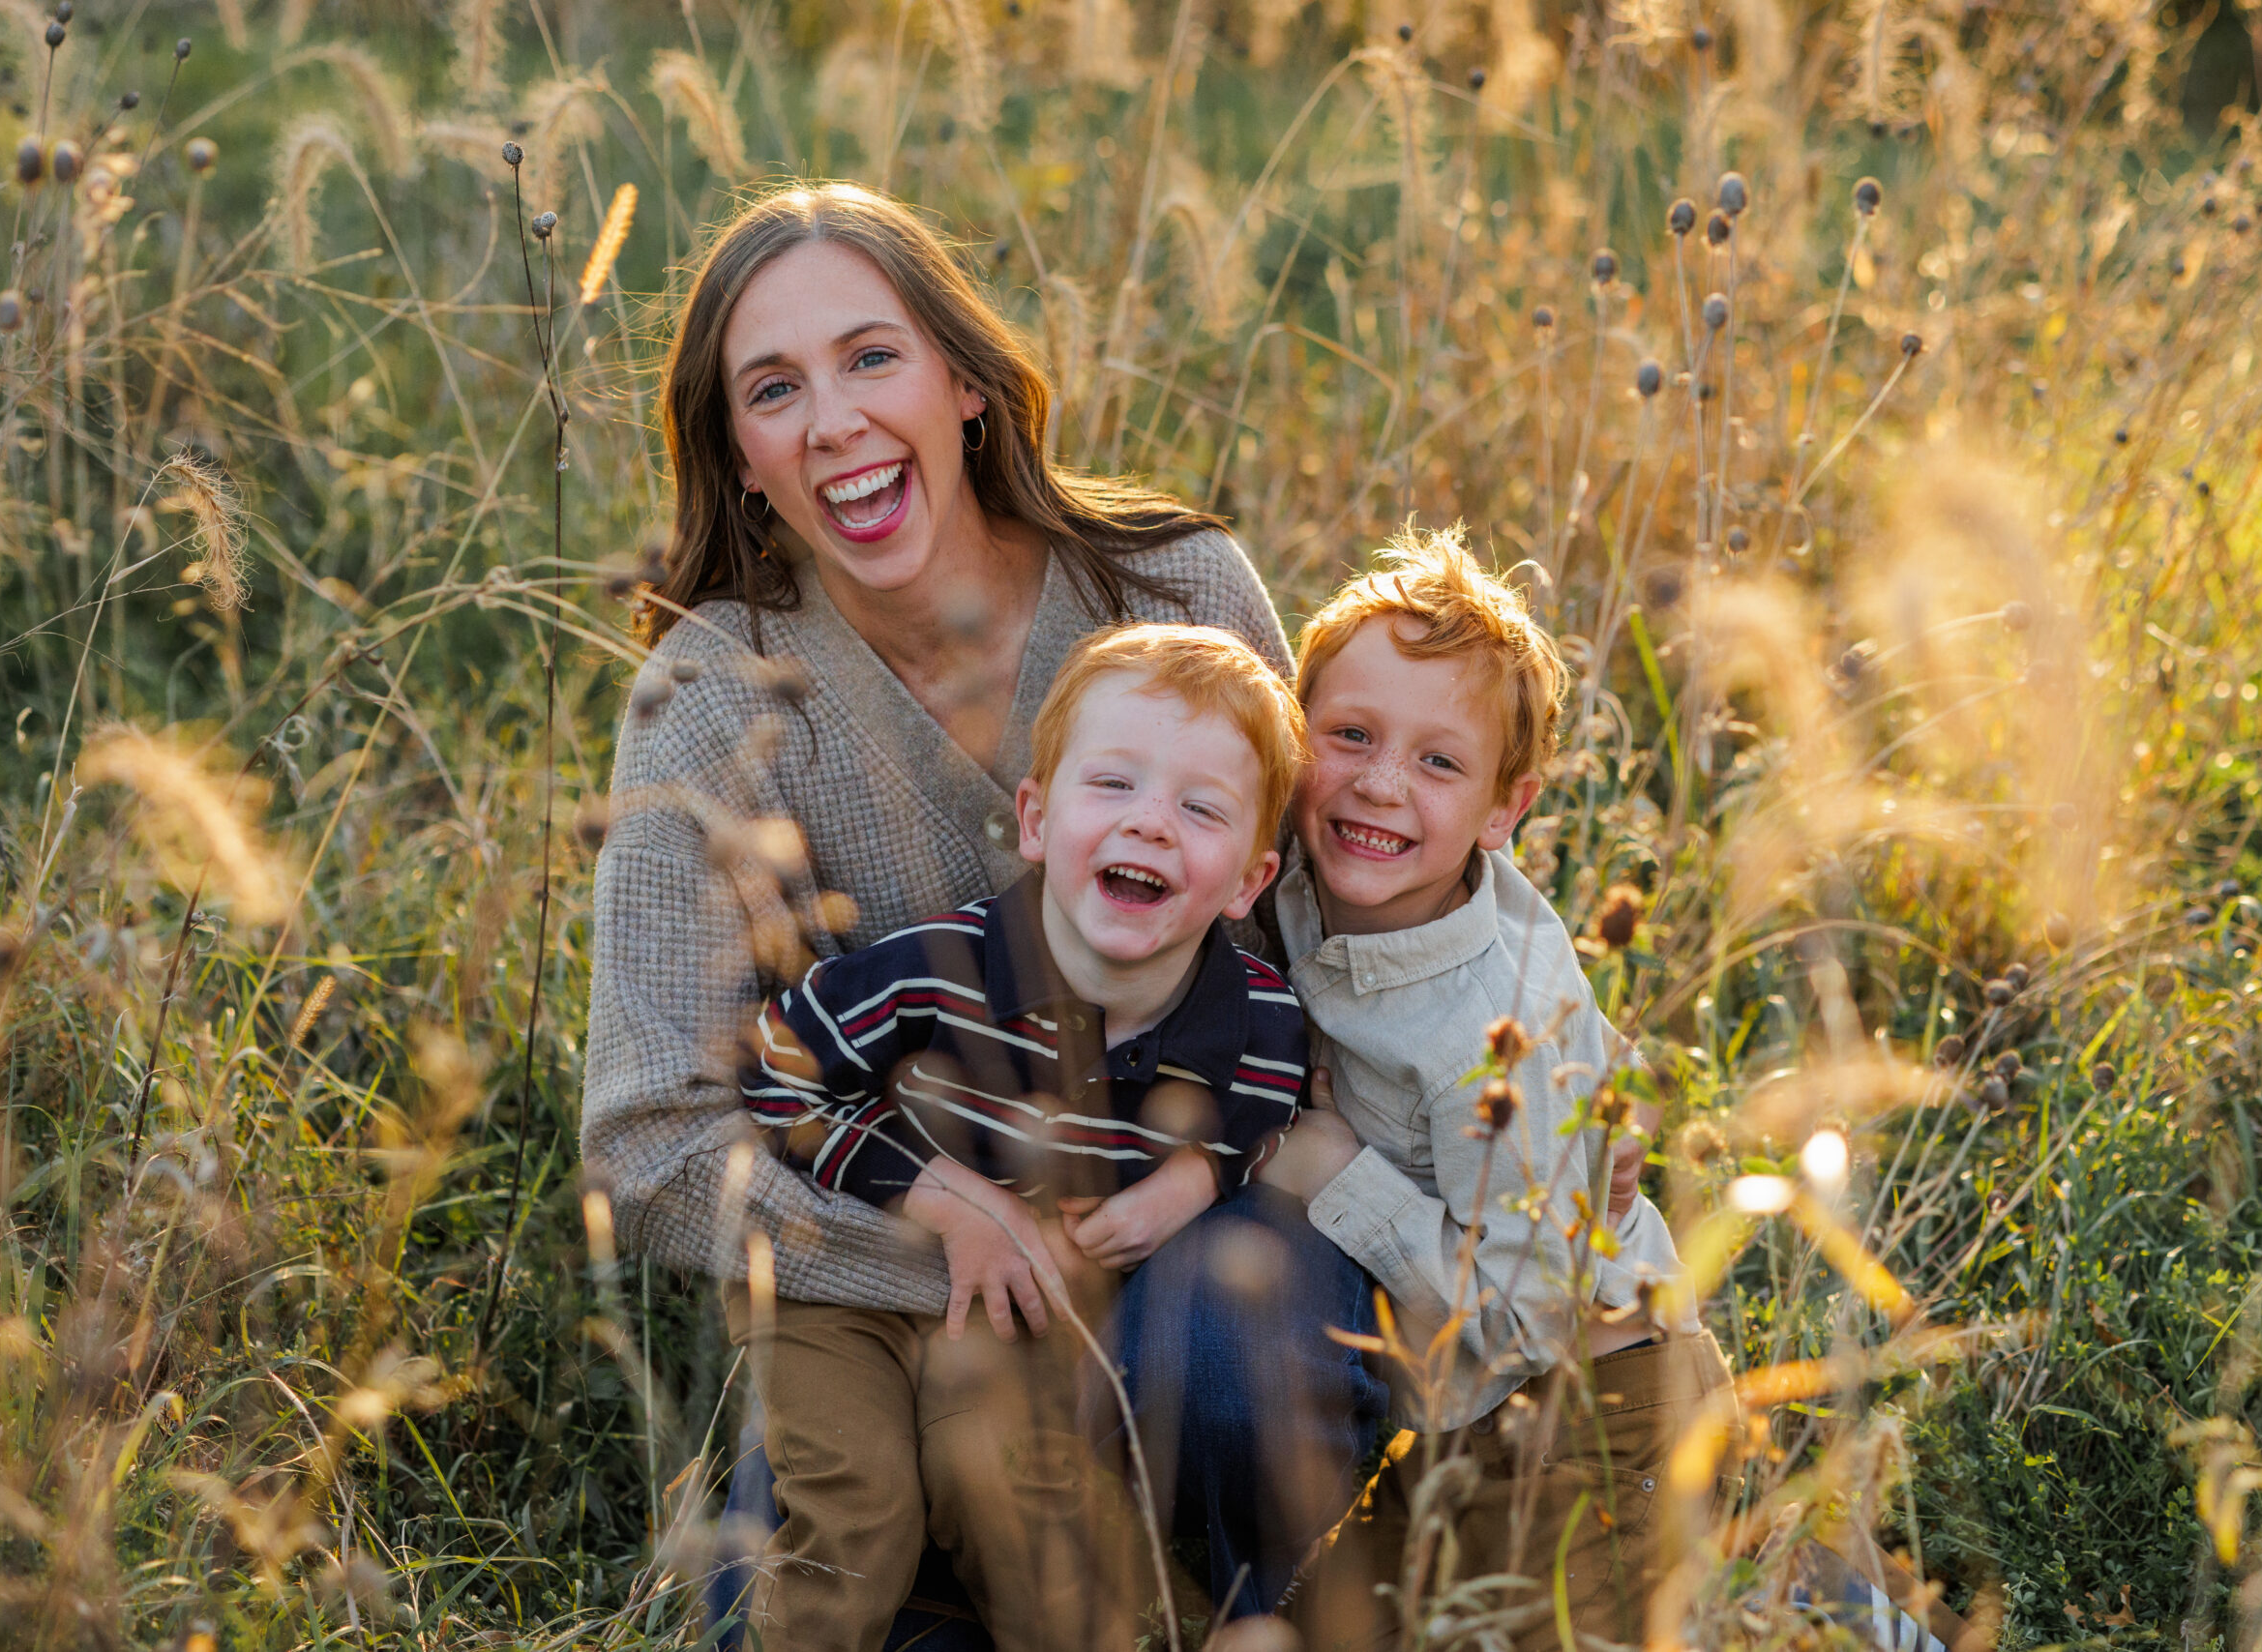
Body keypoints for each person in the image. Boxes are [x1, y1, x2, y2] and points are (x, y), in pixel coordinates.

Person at [577, 181, 1374, 1650]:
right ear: (741, 457)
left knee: (1207, 1366)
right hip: (893, 1311)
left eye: (871, 358)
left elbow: (1314, 969)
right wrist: (948, 1234)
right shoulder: (709, 705)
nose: (833, 422)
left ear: (964, 384)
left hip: (1189, 1250)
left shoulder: (1171, 591)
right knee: (799, 1604)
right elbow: (651, 1140)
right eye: (776, 389)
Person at [734, 624, 1308, 1650]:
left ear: (1247, 883)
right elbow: (776, 1063)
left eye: (1199, 807)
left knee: (1012, 1501)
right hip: (850, 1292)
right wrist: (939, 1193)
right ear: (1037, 820)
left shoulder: (1256, 1023)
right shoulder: (940, 968)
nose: (1152, 825)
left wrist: (1188, 1183)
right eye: (1115, 786)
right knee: (861, 1508)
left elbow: (1264, 1119)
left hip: (1000, 1330)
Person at [1251, 525, 1732, 1648]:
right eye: (1351, 735)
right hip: (1460, 1423)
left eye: (1438, 762)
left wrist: (1339, 1172)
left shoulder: (1494, 1029)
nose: (1379, 782)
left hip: (1602, 1413)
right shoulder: (1309, 872)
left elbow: (1526, 1314)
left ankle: (1833, 1606)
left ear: (1503, 812)